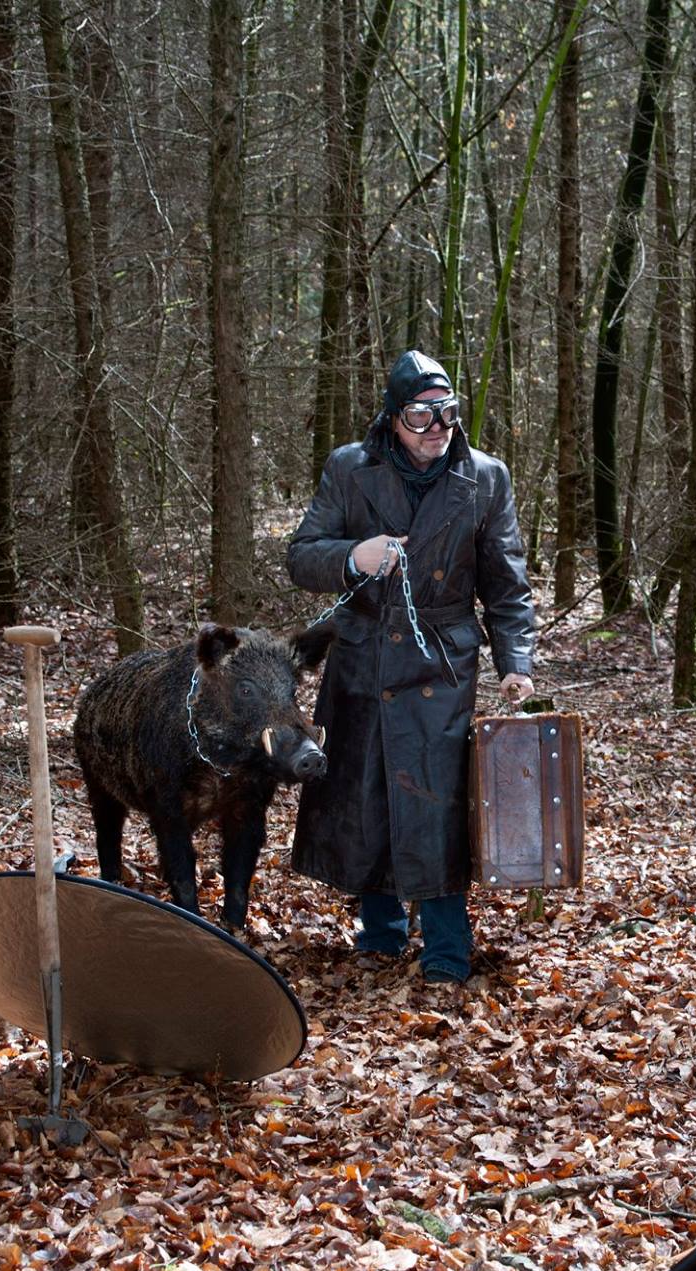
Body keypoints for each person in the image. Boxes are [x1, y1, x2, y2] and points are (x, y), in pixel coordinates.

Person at [286, 351, 536, 984]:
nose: (437, 426)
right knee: (367, 793)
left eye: (447, 412)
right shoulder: (351, 468)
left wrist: (516, 662)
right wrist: (353, 555)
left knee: (437, 802)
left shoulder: (485, 477)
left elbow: (507, 585)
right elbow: (300, 557)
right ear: (393, 418)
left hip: (442, 663)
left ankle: (447, 951)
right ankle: (380, 937)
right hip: (363, 658)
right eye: (422, 414)